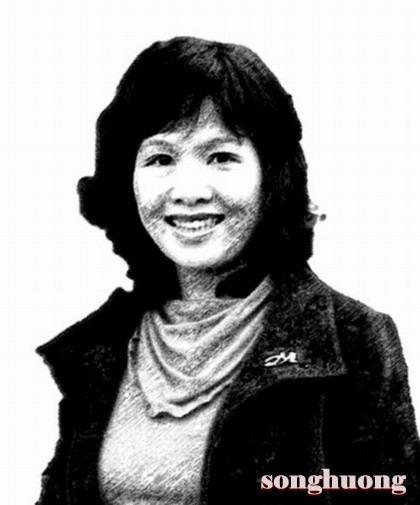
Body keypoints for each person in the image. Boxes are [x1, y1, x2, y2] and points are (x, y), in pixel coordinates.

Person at [36, 37, 420, 504]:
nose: (188, 190)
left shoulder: (353, 339)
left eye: (221, 157)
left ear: (271, 177)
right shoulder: (98, 349)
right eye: (160, 158)